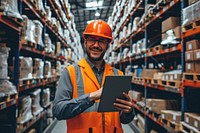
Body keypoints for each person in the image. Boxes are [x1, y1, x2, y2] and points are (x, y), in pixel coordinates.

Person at [52, 20, 134, 133]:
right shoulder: (70, 72)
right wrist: (91, 96)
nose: (96, 45)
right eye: (92, 40)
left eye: (101, 41)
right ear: (85, 42)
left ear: (107, 45)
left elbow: (124, 119)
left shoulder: (118, 74)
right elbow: (58, 111)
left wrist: (128, 111)